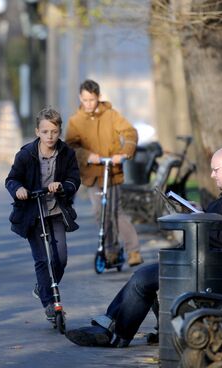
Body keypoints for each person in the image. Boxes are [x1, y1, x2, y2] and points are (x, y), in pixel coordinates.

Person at [66, 145, 222, 348]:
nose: (212, 175)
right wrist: (200, 213)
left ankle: (115, 334)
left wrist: (198, 223)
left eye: (216, 170)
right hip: (206, 265)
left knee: (142, 279)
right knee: (144, 275)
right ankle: (110, 326)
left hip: (216, 275)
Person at [5, 107, 81, 322]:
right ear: (37, 131)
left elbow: (74, 180)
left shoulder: (67, 153)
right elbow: (11, 179)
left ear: (60, 131)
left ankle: (43, 287)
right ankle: (49, 304)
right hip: (32, 212)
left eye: (54, 132)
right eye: (45, 132)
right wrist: (18, 189)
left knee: (60, 258)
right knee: (42, 259)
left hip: (56, 210)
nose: (50, 136)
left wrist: (63, 186)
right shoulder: (26, 154)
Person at [65, 79, 143, 267]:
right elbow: (70, 146)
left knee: (115, 211)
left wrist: (124, 153)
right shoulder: (75, 121)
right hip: (93, 174)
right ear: (80, 98)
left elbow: (130, 132)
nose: (88, 104)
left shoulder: (111, 115)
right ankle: (111, 250)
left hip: (112, 171)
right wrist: (87, 156)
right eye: (85, 100)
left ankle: (133, 251)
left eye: (92, 100)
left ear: (98, 97)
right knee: (100, 212)